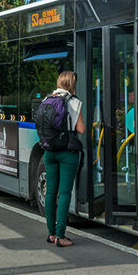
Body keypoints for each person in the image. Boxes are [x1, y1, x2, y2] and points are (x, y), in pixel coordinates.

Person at [44, 71, 86, 247]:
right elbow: (81, 129)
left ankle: (52, 234)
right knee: (64, 194)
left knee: (50, 192)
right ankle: (61, 236)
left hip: (49, 151)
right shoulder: (74, 102)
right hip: (68, 153)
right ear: (72, 84)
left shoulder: (47, 100)